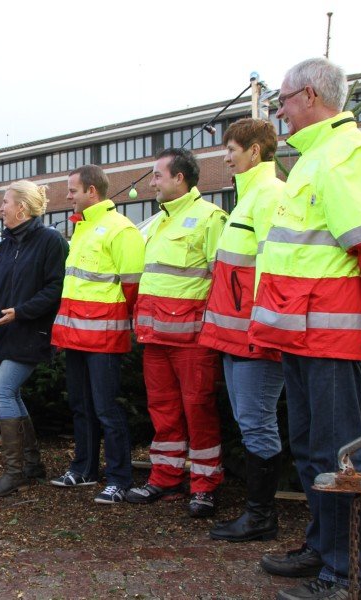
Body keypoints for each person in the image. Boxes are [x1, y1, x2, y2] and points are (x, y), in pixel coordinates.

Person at [249, 58, 361, 600]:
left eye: (282, 99)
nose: (278, 110)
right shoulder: (316, 158)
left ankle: (347, 577)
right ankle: (323, 549)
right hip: (303, 335)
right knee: (311, 450)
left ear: (310, 96)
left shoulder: (348, 156)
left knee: (337, 457)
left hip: (327, 337)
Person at [197, 119, 285, 542]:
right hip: (238, 338)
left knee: (256, 422)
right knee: (249, 420)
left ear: (255, 152)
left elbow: (276, 270)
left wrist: (261, 327)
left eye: (231, 148)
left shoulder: (269, 196)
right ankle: (257, 514)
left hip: (256, 338)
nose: (225, 156)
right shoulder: (248, 199)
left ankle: (261, 517)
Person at [129, 148, 227, 518]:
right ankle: (165, 477)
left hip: (193, 340)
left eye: (156, 175)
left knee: (198, 410)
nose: (152, 182)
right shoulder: (156, 223)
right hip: (155, 338)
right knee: (164, 411)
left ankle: (204, 486)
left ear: (178, 178)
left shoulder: (210, 218)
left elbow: (222, 279)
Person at [50, 164, 145, 504]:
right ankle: (85, 469)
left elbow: (132, 285)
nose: (68, 195)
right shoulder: (84, 229)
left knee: (106, 409)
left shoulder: (120, 229)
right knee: (81, 405)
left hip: (103, 336)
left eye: (73, 189)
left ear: (92, 191)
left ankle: (119, 478)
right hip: (77, 335)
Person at [0, 180, 68, 497]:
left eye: (5, 202)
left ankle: (14, 473)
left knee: (1, 391)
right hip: (2, 332)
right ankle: (32, 466)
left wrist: (22, 311)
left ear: (22, 207)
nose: (0, 208)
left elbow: (55, 289)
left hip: (30, 332)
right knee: (11, 395)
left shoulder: (51, 242)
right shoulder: (2, 246)